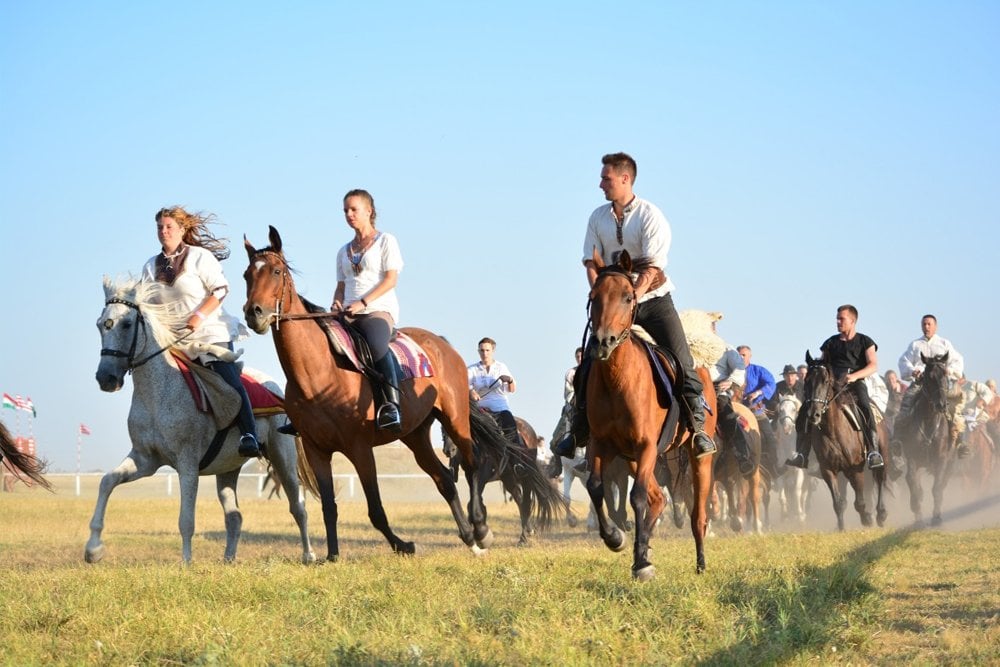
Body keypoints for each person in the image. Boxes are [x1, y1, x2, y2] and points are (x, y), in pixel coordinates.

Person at [552, 152, 715, 458]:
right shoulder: (597, 217)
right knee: (589, 363)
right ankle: (577, 431)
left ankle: (698, 428)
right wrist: (601, 294)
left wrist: (633, 296)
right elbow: (590, 260)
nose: (601, 184)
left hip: (653, 301)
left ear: (624, 179)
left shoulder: (651, 216)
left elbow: (652, 267)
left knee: (682, 361)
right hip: (614, 303)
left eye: (606, 178)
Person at [143, 206, 262, 458]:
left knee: (227, 381)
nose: (164, 231)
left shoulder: (200, 257)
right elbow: (145, 305)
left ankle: (249, 434)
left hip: (208, 332)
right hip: (171, 340)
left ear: (182, 229)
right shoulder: (150, 266)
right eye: (160, 227)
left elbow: (220, 290)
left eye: (169, 227)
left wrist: (197, 318)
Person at [330, 189, 406, 432]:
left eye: (354, 209)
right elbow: (341, 286)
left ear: (369, 211)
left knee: (375, 344)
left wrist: (362, 303)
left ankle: (392, 405)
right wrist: (336, 303)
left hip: (377, 310)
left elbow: (390, 280)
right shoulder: (343, 250)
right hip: (348, 313)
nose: (349, 214)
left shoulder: (386, 241)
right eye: (345, 211)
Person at [786, 305, 884, 470]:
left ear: (853, 321)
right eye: (837, 319)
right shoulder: (830, 343)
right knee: (806, 410)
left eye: (842, 319)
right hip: (831, 386)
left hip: (854, 384)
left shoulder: (865, 341)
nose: (838, 322)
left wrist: (854, 376)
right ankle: (803, 453)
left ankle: (873, 452)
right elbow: (824, 363)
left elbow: (873, 365)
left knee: (865, 407)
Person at [895, 314, 967, 456]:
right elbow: (903, 361)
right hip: (920, 384)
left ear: (935, 326)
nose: (926, 327)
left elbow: (958, 360)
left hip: (940, 385)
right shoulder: (915, 345)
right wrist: (912, 371)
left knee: (954, 410)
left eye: (929, 324)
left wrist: (949, 370)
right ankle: (896, 442)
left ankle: (960, 443)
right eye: (924, 324)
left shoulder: (944, 344)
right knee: (905, 407)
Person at [710, 334, 753, 476]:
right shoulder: (689, 345)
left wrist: (731, 381)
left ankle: (742, 455)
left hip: (718, 391)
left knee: (728, 417)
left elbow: (739, 367)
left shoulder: (725, 348)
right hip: (693, 390)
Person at [468, 338, 522, 445]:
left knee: (511, 430)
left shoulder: (501, 367)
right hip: (479, 410)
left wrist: (510, 380)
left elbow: (512, 390)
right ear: (478, 351)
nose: (484, 353)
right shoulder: (471, 369)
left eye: (487, 350)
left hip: (500, 408)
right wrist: (471, 391)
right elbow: (464, 386)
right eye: (482, 350)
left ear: (493, 351)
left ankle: (516, 460)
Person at [738, 346, 781, 478]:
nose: (741, 357)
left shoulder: (758, 370)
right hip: (737, 412)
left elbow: (771, 383)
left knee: (770, 438)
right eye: (738, 355)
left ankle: (773, 466)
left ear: (749, 356)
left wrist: (758, 392)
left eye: (743, 355)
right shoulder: (732, 371)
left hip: (756, 411)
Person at [551, 347, 584, 450]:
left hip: (589, 407)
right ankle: (558, 466)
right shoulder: (571, 373)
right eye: (577, 357)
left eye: (581, 356)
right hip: (571, 409)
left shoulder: (593, 371)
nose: (579, 358)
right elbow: (568, 393)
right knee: (554, 443)